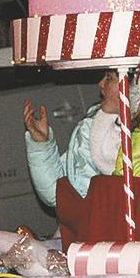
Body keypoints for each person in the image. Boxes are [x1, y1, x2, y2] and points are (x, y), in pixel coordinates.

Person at [24, 70, 122, 208]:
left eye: (109, 78)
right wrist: (41, 145)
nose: (100, 84)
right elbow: (58, 194)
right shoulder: (92, 127)